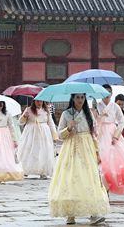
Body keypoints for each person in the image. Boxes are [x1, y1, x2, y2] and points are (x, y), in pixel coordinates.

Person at [49, 94, 108, 225]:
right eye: (77, 97)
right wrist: (69, 128)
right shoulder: (66, 114)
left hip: (87, 148)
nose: (80, 100)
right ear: (73, 99)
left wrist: (97, 151)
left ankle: (93, 213)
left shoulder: (89, 114)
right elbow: (59, 134)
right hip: (71, 149)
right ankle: (70, 214)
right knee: (71, 178)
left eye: (82, 97)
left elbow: (94, 134)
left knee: (89, 178)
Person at [95, 84, 124, 194]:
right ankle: (101, 184)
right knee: (100, 158)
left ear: (111, 93)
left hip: (112, 133)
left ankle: (110, 184)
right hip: (100, 132)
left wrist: (116, 135)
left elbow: (121, 121)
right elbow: (93, 122)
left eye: (109, 92)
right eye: (104, 92)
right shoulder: (97, 106)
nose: (106, 94)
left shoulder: (115, 106)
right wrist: (99, 117)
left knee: (114, 159)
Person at [17, 100, 57, 179]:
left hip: (43, 133)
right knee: (29, 151)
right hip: (30, 133)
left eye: (40, 101)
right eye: (37, 101)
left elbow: (51, 123)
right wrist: (24, 116)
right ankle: (26, 170)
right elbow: (20, 122)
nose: (39, 103)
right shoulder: (28, 110)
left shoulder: (46, 111)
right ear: (34, 102)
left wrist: (54, 135)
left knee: (43, 151)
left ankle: (43, 171)